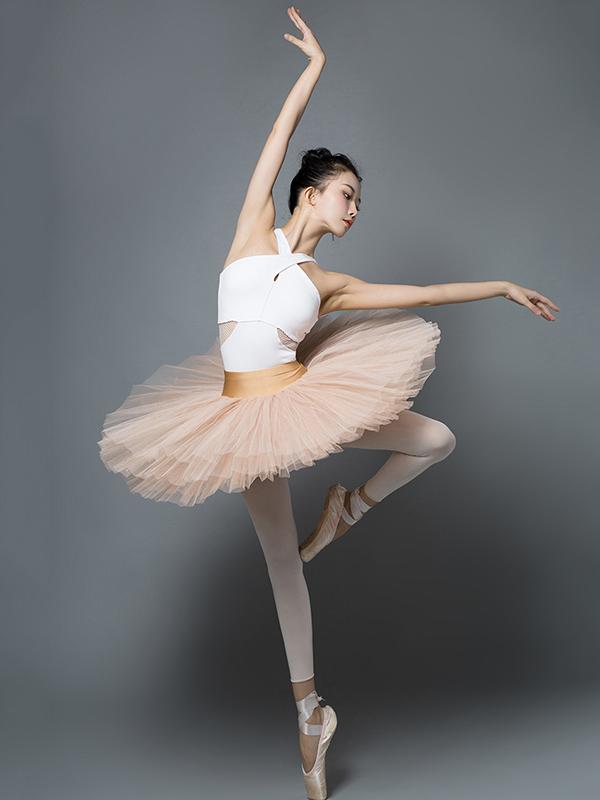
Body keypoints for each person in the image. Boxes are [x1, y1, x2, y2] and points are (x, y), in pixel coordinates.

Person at [97, 7, 560, 799]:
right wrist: (314, 68)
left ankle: (351, 507)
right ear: (308, 196)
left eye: (359, 201)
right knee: (282, 561)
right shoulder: (253, 229)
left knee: (436, 439)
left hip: (297, 400)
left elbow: (424, 292)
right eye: (346, 194)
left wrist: (500, 286)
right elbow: (279, 137)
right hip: (235, 415)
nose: (354, 208)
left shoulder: (331, 284)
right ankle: (311, 716)